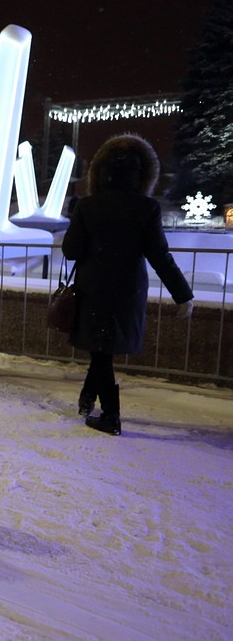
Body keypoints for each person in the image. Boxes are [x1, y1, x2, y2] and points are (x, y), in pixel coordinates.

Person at [61, 134, 194, 436]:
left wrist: (78, 222)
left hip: (92, 290)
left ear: (101, 173)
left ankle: (110, 415)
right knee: (103, 351)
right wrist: (182, 295)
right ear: (143, 175)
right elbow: (159, 255)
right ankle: (88, 399)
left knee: (101, 351)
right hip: (127, 292)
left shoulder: (88, 205)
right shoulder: (146, 208)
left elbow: (71, 251)